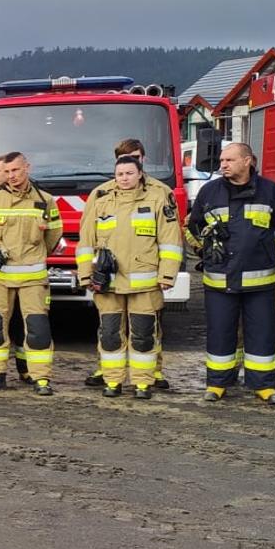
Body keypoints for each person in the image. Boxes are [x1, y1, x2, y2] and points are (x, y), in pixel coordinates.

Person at [192, 142, 275, 405]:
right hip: (219, 279)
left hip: (260, 281)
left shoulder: (269, 191)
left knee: (262, 333)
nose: (223, 164)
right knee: (220, 332)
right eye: (222, 160)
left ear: (248, 161)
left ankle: (263, 385)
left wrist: (267, 251)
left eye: (229, 160)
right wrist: (206, 246)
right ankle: (217, 383)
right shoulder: (209, 192)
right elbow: (193, 226)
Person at [80, 156, 182, 398]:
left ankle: (142, 384)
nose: (124, 178)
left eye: (129, 173)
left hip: (144, 285)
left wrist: (167, 274)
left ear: (140, 174)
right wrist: (86, 276)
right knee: (110, 334)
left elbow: (170, 241)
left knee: (144, 336)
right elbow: (86, 242)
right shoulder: (101, 200)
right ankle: (112, 381)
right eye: (119, 174)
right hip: (108, 284)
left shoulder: (157, 199)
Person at [0, 152, 62, 395]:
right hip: (0, 279)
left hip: (33, 279)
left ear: (27, 167)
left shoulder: (45, 201)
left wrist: (33, 255)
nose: (12, 176)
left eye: (16, 170)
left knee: (37, 330)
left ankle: (41, 378)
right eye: (8, 171)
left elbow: (53, 237)